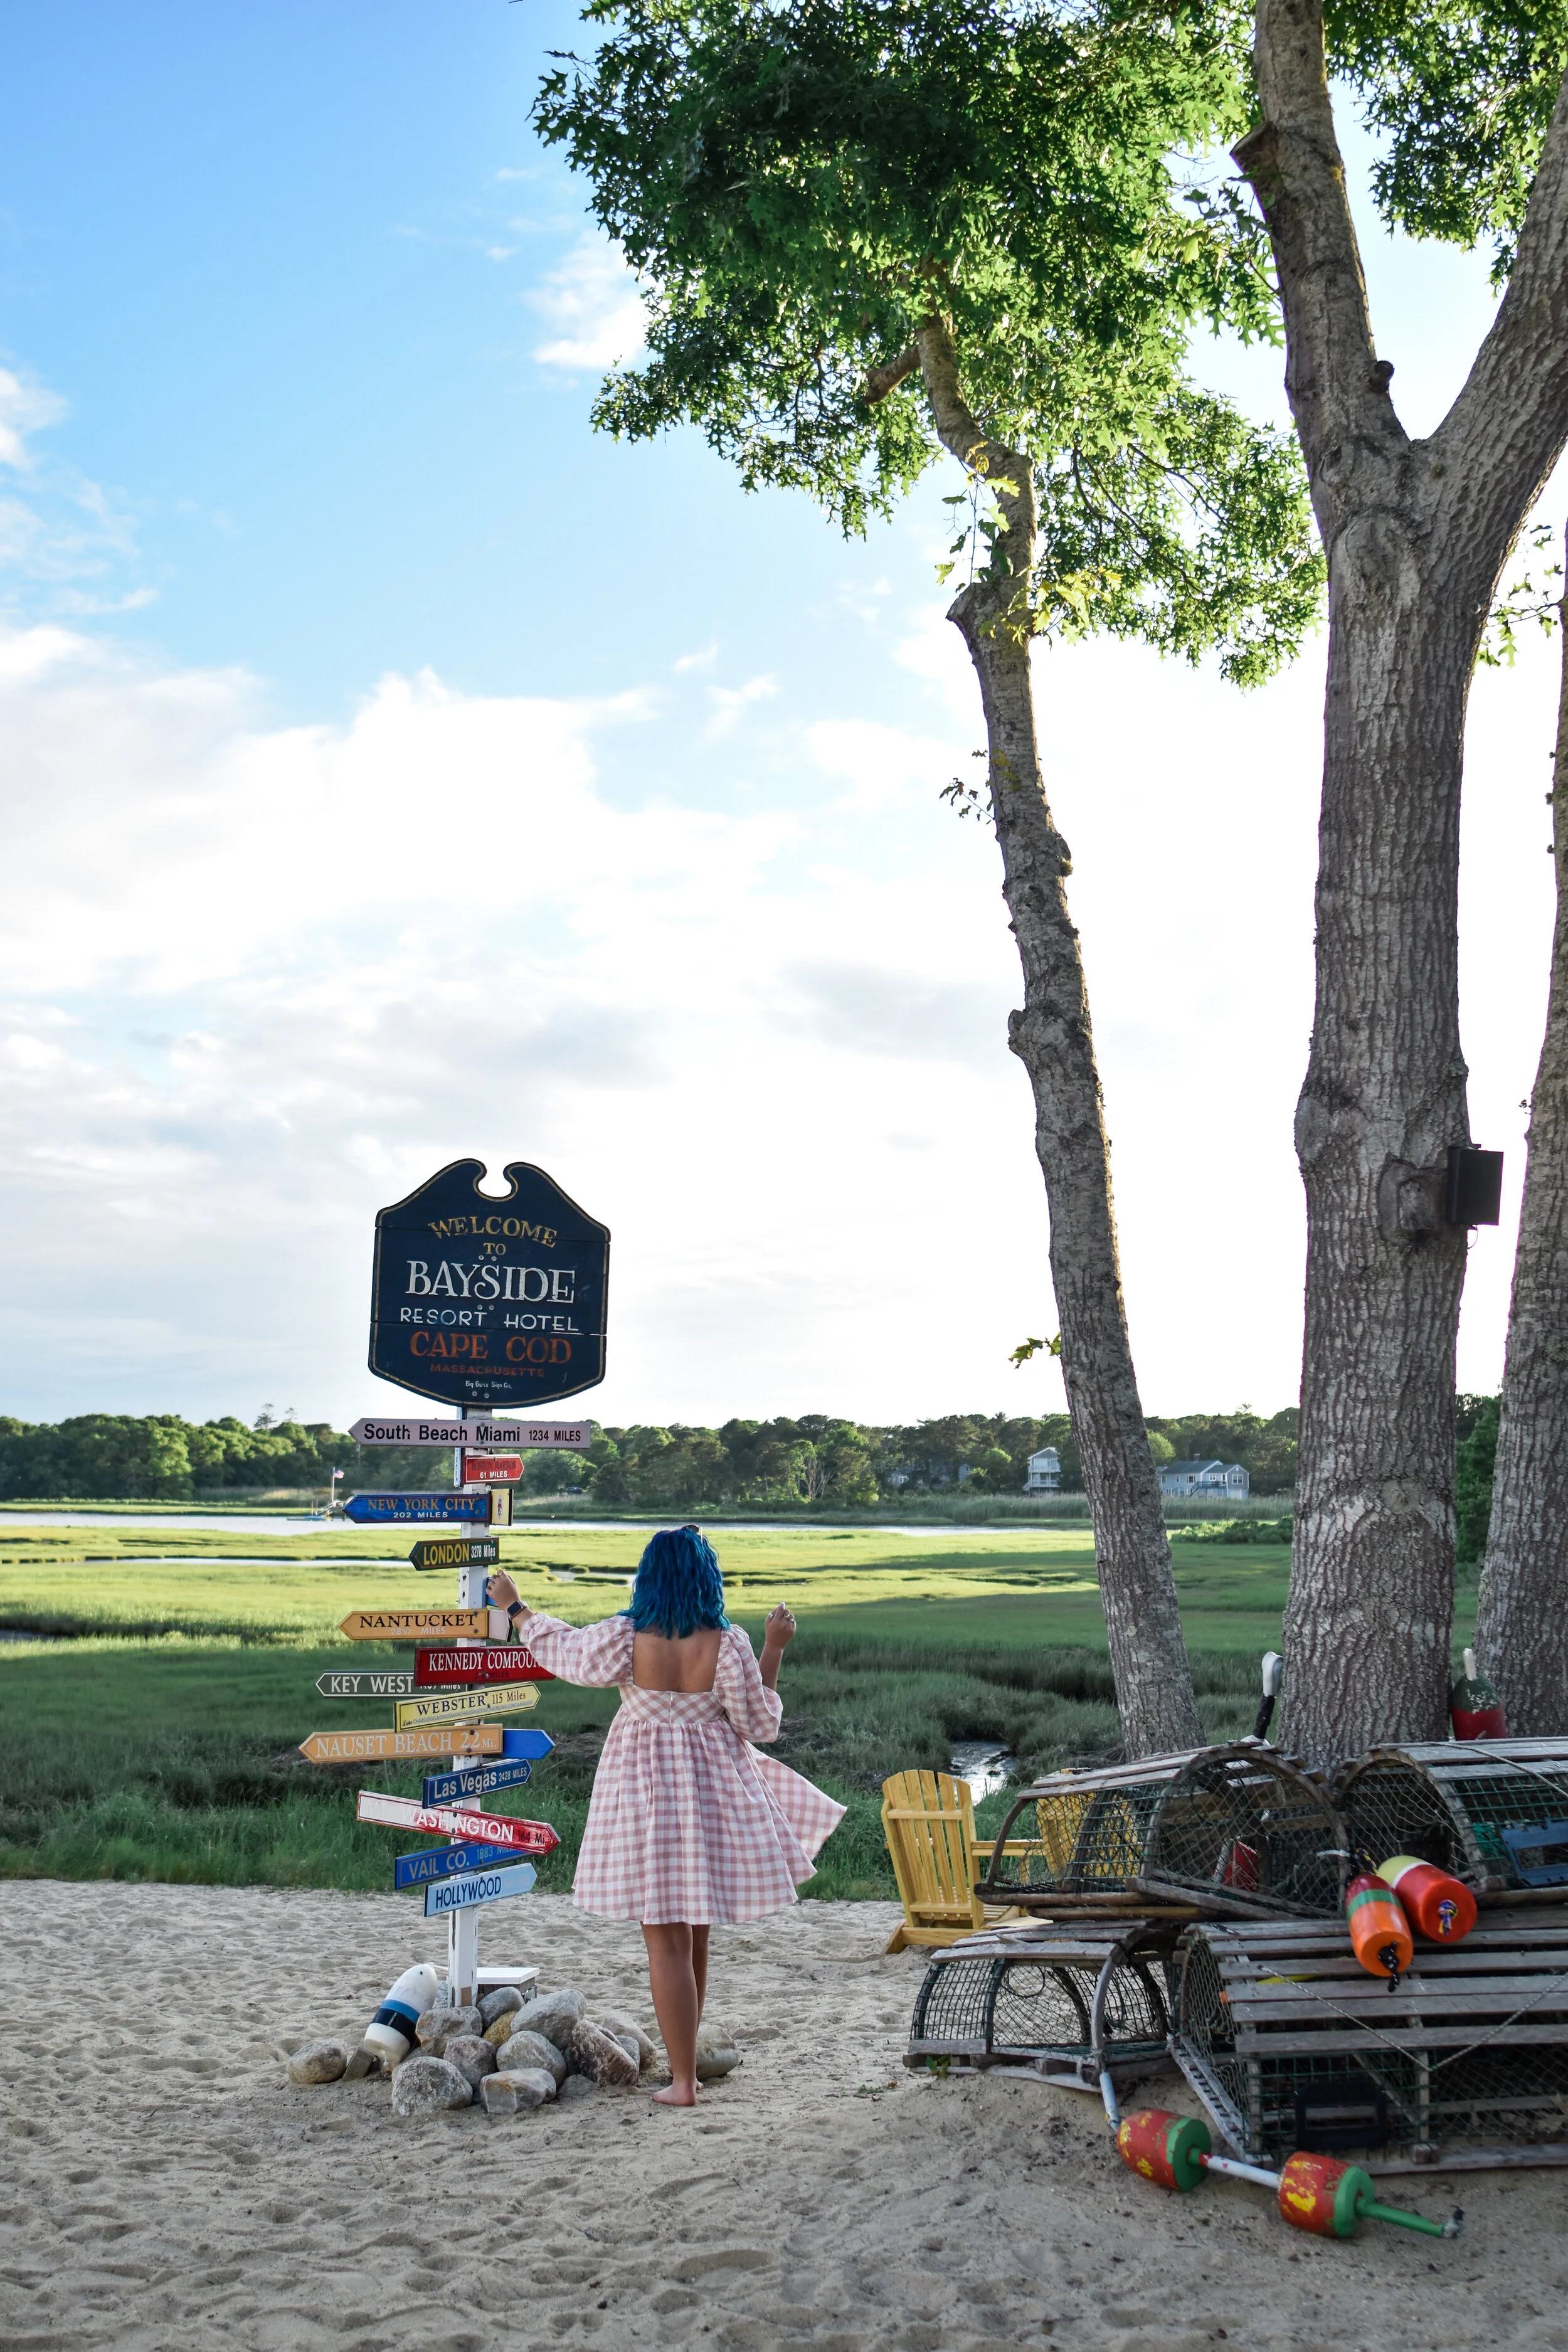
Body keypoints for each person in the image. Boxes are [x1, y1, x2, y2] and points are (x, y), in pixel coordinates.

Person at [485, 1525, 844, 2106]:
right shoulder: (726, 1642)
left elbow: (564, 1651)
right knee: (693, 1934)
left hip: (646, 1798)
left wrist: (516, 1608)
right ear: (706, 1576)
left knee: (666, 1945)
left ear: (649, 1575)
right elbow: (760, 1726)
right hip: (710, 1798)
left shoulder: (627, 1636)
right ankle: (688, 2069)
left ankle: (682, 2082)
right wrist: (775, 1647)